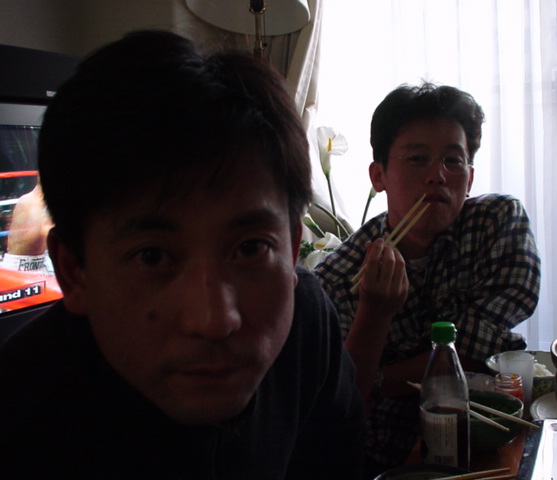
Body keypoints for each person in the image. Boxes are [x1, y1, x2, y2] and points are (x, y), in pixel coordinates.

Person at [0, 31, 365, 479]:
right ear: (75, 271)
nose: (215, 320)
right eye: (152, 257)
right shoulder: (20, 416)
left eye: (250, 248)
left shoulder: (307, 325)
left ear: (292, 250)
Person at [315, 82, 541, 475]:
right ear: (379, 175)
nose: (437, 175)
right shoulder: (339, 275)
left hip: (491, 438)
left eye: (453, 161)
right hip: (387, 458)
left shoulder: (496, 222)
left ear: (470, 178)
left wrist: (385, 379)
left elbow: (484, 339)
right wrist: (375, 311)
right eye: (417, 159)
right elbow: (343, 399)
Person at [0, 178, 55, 275]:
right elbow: (47, 232)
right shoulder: (30, 202)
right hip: (21, 266)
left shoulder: (43, 204)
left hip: (42, 262)